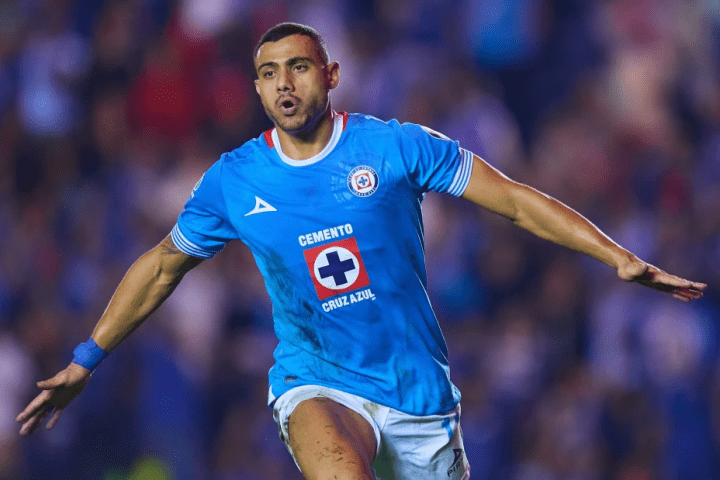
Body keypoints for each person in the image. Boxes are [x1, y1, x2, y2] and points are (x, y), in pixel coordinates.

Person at [16, 22, 706, 480]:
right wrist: (86, 358)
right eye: (268, 73)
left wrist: (616, 256)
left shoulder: (396, 147)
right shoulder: (234, 179)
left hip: (418, 394)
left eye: (298, 67)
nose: (284, 84)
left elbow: (516, 200)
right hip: (317, 381)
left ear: (331, 73)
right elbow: (164, 265)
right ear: (256, 89)